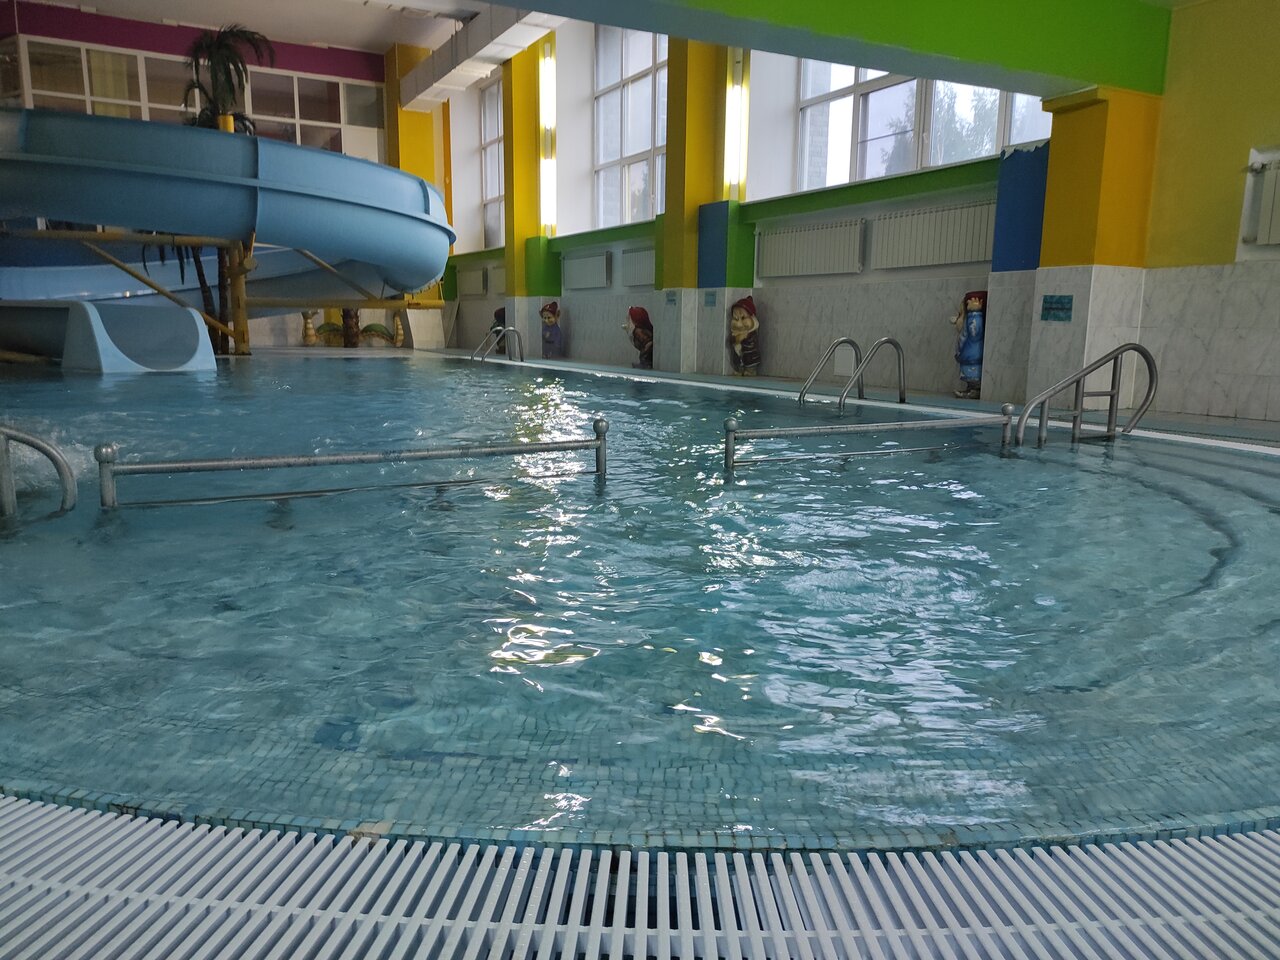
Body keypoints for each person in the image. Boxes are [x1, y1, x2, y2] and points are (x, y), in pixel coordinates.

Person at [952, 291, 986, 399]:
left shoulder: (974, 318)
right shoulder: (968, 320)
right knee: (969, 374)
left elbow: (975, 332)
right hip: (969, 354)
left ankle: (975, 390)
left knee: (973, 374)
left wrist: (974, 313)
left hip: (972, 355)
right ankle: (971, 389)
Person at [727, 296, 761, 376]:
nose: (739, 324)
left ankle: (750, 371)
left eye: (743, 318)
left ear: (752, 317)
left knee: (749, 365)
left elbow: (752, 344)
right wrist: (735, 339)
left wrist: (744, 337)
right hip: (740, 358)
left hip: (750, 358)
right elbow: (731, 341)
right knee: (738, 362)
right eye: (735, 319)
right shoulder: (734, 333)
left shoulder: (751, 333)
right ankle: (740, 369)